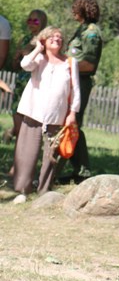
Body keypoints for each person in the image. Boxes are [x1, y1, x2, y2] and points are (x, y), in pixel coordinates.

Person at [12, 26, 80, 204]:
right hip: (34, 111)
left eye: (59, 37)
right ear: (44, 39)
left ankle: (44, 190)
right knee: (27, 152)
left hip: (57, 115)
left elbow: (76, 90)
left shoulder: (70, 62)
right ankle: (23, 190)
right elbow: (24, 65)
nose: (56, 39)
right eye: (52, 37)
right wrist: (37, 49)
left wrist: (72, 112)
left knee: (51, 155)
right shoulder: (39, 59)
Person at [63, 0, 103, 181]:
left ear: (83, 8)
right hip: (71, 81)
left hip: (81, 83)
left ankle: (82, 171)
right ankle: (76, 168)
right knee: (70, 124)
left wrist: (64, 64)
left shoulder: (91, 33)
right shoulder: (81, 29)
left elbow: (89, 64)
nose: (72, 11)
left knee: (73, 124)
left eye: (75, 7)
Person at [5, 10, 47, 148]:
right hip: (21, 84)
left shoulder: (46, 41)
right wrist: (17, 58)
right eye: (29, 20)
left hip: (36, 85)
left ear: (42, 22)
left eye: (35, 21)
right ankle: (17, 161)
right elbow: (15, 66)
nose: (31, 24)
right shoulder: (24, 39)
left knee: (30, 129)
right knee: (18, 121)